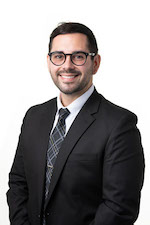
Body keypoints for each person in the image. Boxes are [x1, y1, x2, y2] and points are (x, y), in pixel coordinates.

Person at [7, 22, 145, 225]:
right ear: (49, 61)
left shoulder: (120, 125)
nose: (67, 65)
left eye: (78, 56)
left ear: (95, 63)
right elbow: (19, 183)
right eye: (59, 56)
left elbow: (119, 207)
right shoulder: (33, 117)